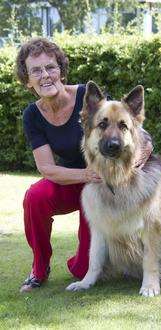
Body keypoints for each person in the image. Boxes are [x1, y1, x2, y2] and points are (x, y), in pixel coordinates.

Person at [16, 37, 153, 293]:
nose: (45, 75)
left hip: (105, 184)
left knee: (83, 270)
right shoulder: (32, 115)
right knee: (35, 196)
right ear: (27, 80)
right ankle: (39, 267)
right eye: (36, 70)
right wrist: (86, 174)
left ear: (61, 70)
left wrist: (141, 154)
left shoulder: (89, 99)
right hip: (76, 179)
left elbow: (133, 131)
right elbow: (46, 168)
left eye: (51, 67)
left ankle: (118, 261)